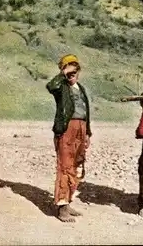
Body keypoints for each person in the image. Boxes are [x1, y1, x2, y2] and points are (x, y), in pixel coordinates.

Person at [46, 54, 92, 222]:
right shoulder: (61, 87)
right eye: (69, 71)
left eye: (74, 70)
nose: (72, 74)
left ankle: (68, 201)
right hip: (66, 129)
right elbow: (50, 86)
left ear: (78, 71)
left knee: (77, 165)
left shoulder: (81, 88)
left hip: (81, 128)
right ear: (64, 71)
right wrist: (62, 74)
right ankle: (61, 208)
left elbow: (86, 112)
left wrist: (88, 133)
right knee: (65, 166)